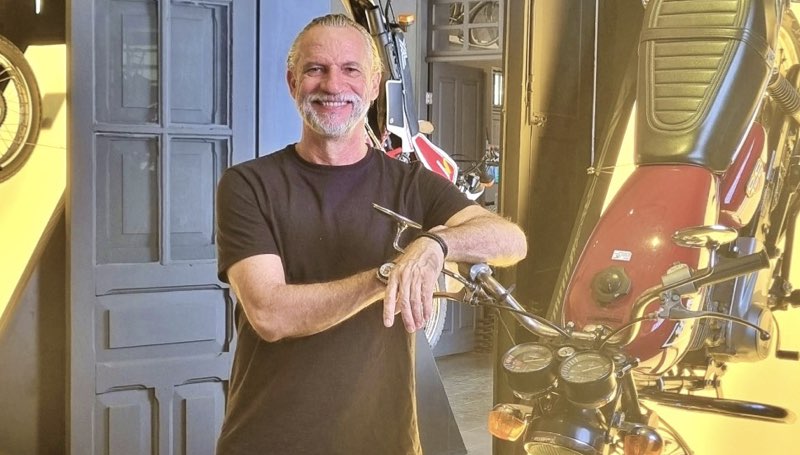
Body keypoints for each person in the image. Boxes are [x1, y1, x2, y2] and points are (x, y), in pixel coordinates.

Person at [214, 13, 527, 455]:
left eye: (351, 69)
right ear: (292, 82)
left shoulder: (412, 185)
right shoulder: (249, 185)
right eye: (316, 69)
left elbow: (511, 241)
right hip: (269, 440)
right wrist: (389, 274)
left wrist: (436, 244)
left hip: (385, 441)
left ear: (375, 85)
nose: (332, 85)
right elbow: (270, 314)